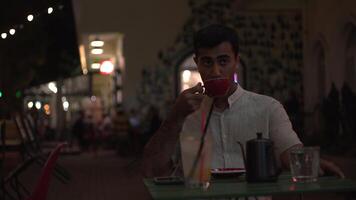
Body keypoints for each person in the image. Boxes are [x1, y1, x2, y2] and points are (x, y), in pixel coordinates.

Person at [142, 24, 344, 179]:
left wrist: (314, 163)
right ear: (197, 63)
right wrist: (175, 117)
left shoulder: (267, 108)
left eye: (223, 61)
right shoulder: (184, 111)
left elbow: (289, 153)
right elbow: (152, 168)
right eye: (207, 62)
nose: (215, 71)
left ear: (236, 61)